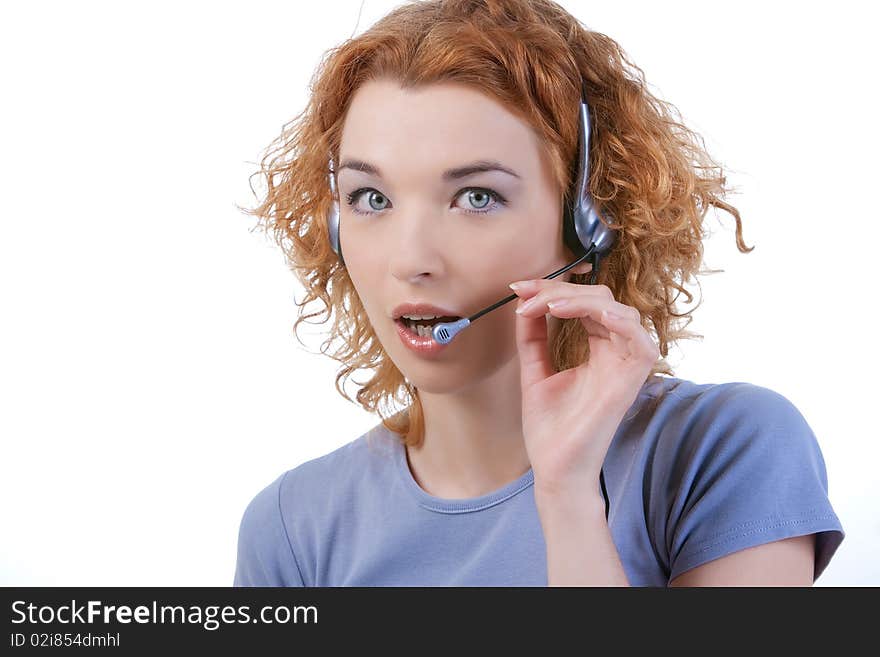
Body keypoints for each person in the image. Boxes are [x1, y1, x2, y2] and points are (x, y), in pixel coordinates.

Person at [233, 0, 844, 586]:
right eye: (371, 198)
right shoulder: (292, 528)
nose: (410, 260)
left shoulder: (726, 448)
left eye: (477, 197)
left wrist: (568, 495)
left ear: (589, 221)